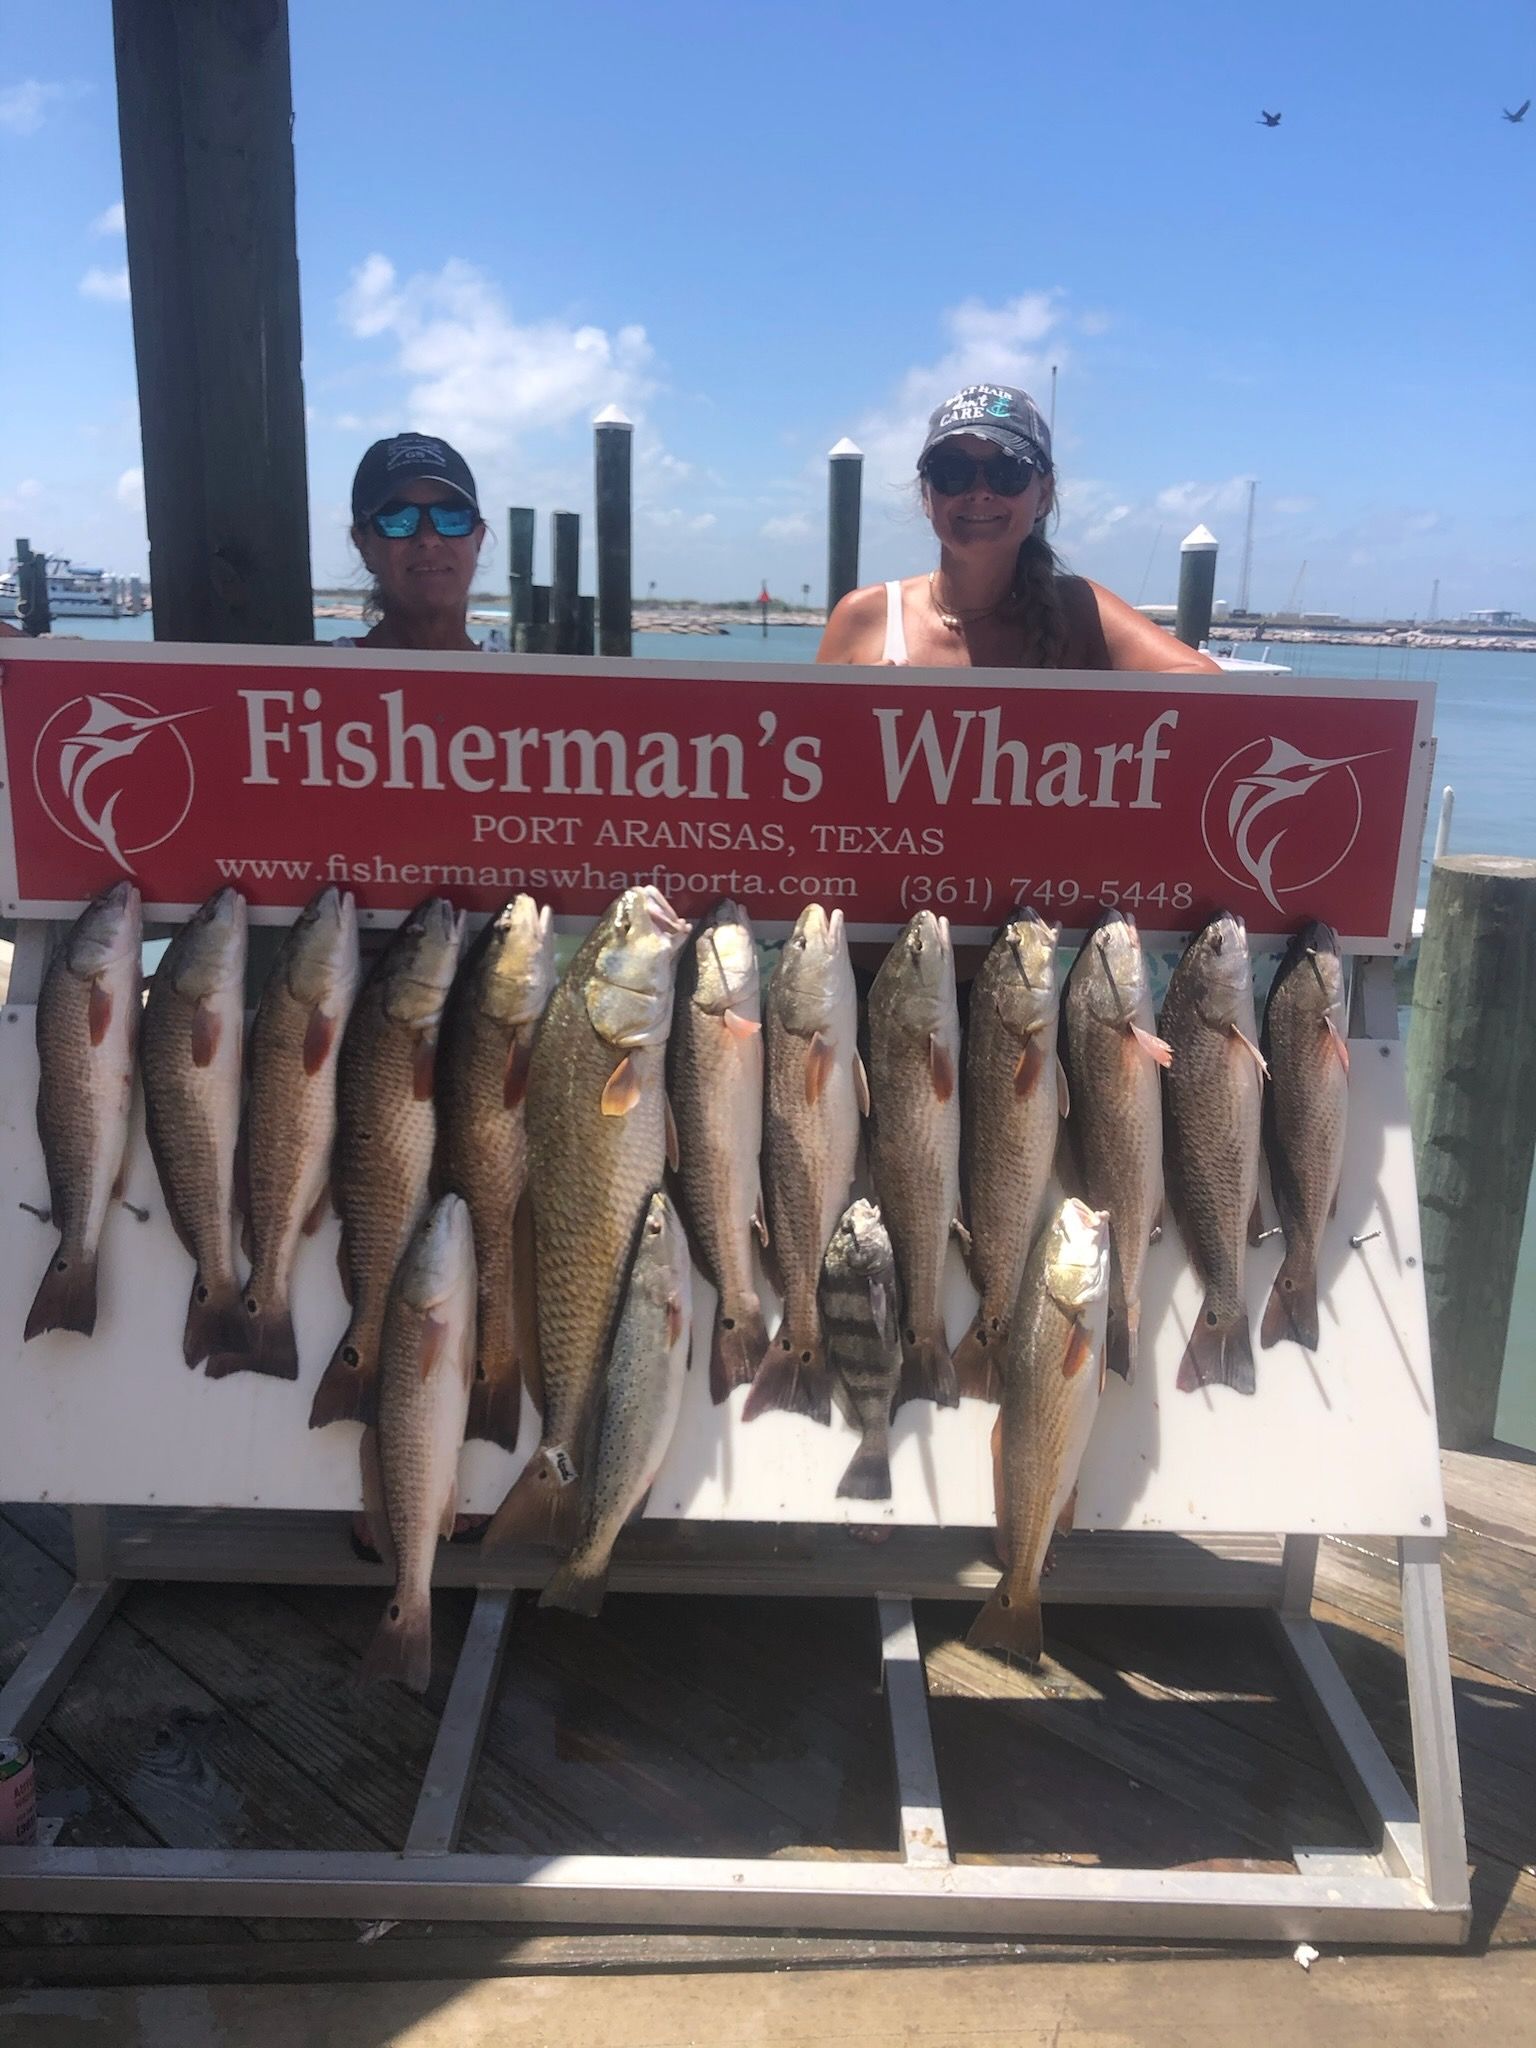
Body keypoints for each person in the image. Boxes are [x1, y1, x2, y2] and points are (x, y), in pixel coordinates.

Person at [817, 385, 1220, 674]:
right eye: (953, 473)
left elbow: (1205, 686)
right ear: (927, 495)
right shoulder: (864, 617)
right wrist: (860, 707)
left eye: (1006, 472)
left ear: (1043, 495)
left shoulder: (1079, 610)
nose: (980, 492)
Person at [341, 433, 506, 651]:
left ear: (478, 538)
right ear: (363, 545)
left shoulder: (530, 680)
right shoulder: (310, 677)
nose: (429, 539)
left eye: (451, 517)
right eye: (399, 519)